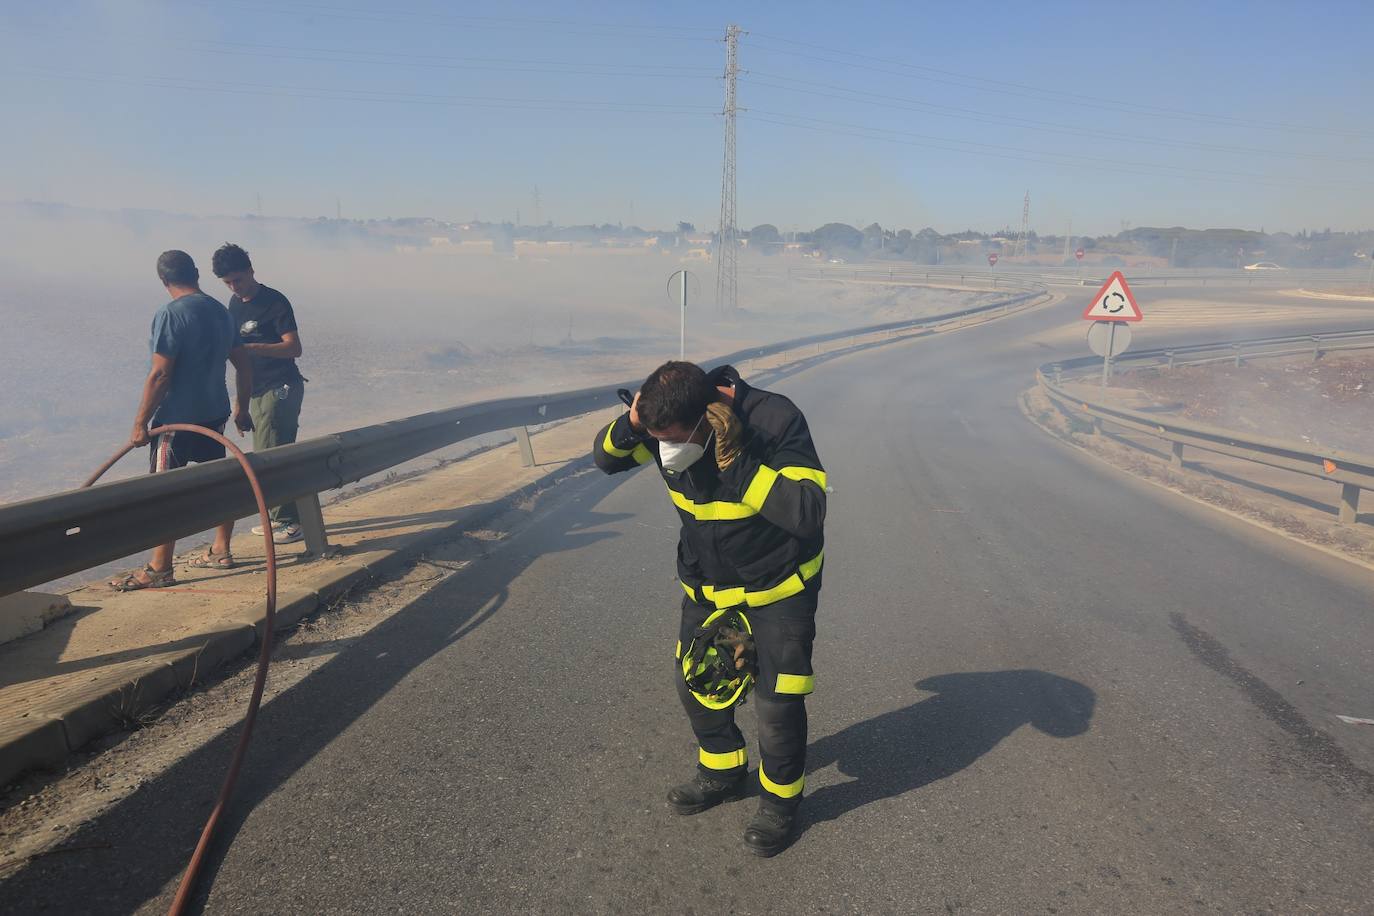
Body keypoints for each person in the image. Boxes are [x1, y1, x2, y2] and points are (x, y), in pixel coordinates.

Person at [593, 361, 827, 857]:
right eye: (658, 439)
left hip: (777, 586)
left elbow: (806, 514)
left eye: (675, 438)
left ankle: (780, 805)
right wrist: (633, 425)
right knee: (696, 683)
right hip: (709, 586)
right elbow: (606, 459)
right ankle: (722, 772)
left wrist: (737, 462)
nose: (668, 450)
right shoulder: (663, 424)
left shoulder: (774, 420)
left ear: (709, 417)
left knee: (777, 704)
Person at [109, 251, 253, 590]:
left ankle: (160, 568)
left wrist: (139, 424)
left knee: (164, 493)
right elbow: (244, 365)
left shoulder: (171, 314)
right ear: (197, 274)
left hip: (176, 421)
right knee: (216, 484)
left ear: (163, 281)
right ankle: (221, 551)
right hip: (214, 414)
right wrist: (241, 408)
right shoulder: (220, 310)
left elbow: (160, 374)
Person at [212, 243, 307, 544]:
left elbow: (294, 348)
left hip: (281, 387)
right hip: (256, 389)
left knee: (272, 453)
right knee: (266, 450)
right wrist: (240, 405)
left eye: (237, 280)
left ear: (251, 271)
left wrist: (254, 348)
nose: (234, 287)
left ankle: (289, 521)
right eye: (227, 282)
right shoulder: (234, 305)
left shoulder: (274, 302)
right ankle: (280, 516)